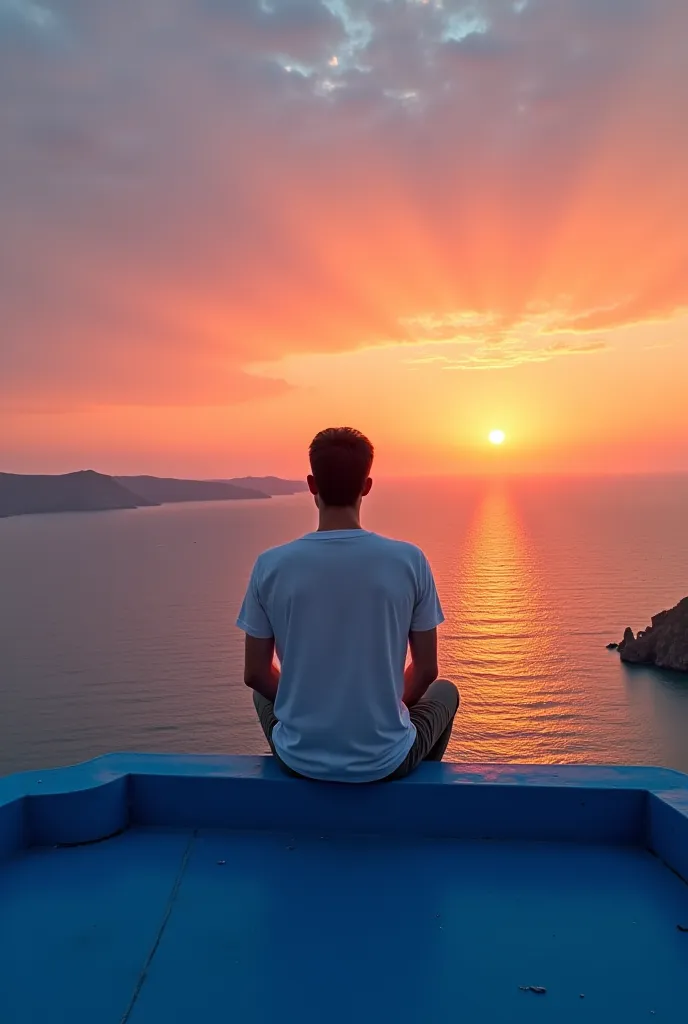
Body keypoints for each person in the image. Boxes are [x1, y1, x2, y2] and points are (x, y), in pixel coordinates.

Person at [236, 427, 459, 782]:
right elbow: (426, 670)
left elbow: (256, 674)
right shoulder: (409, 561)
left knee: (262, 696)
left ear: (312, 484)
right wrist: (384, 703)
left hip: (299, 760)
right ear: (366, 485)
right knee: (445, 691)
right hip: (385, 761)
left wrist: (306, 701)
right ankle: (415, 799)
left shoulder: (271, 565)